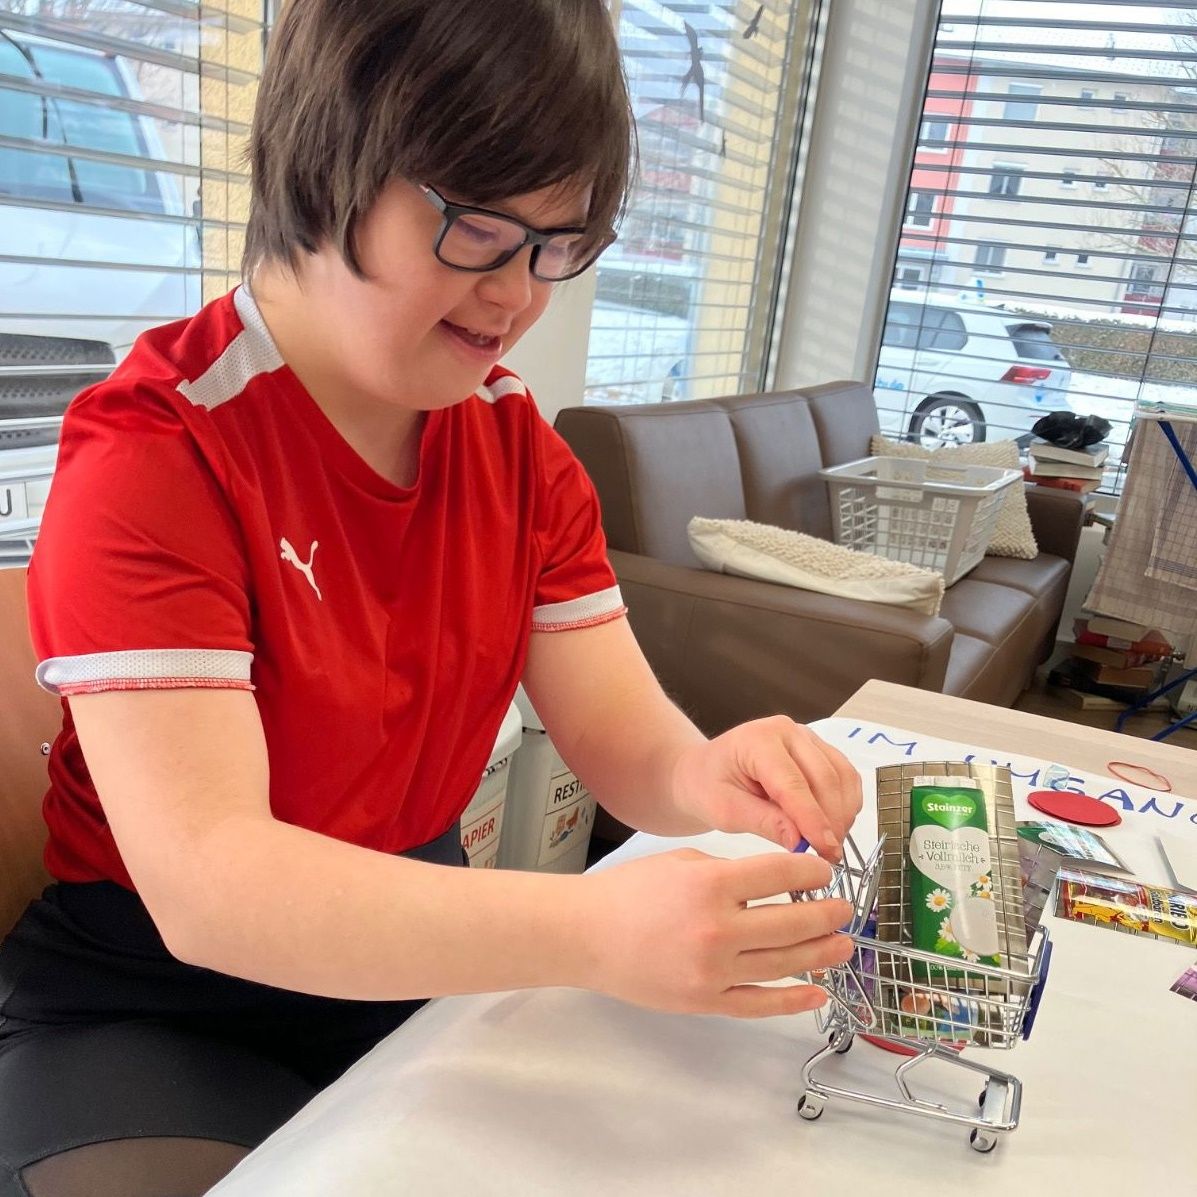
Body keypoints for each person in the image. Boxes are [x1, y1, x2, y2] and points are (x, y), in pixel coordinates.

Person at [0, 2, 862, 1194]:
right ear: (324, 161)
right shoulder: (158, 453)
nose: (518, 295)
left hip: (410, 953)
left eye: (560, 244)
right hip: (154, 998)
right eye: (479, 228)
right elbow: (212, 888)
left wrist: (708, 772)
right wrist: (591, 933)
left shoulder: (517, 451)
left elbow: (620, 738)